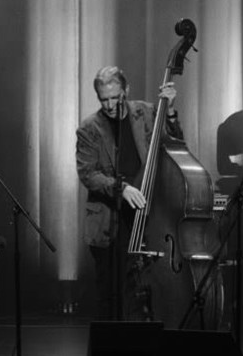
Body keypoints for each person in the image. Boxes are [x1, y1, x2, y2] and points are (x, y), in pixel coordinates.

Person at [76, 66, 182, 321]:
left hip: (148, 216)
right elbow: (88, 174)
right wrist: (122, 189)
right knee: (111, 300)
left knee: (144, 294)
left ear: (126, 90)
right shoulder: (90, 128)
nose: (110, 105)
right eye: (104, 99)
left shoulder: (145, 112)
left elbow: (176, 144)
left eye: (115, 97)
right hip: (109, 223)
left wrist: (169, 112)